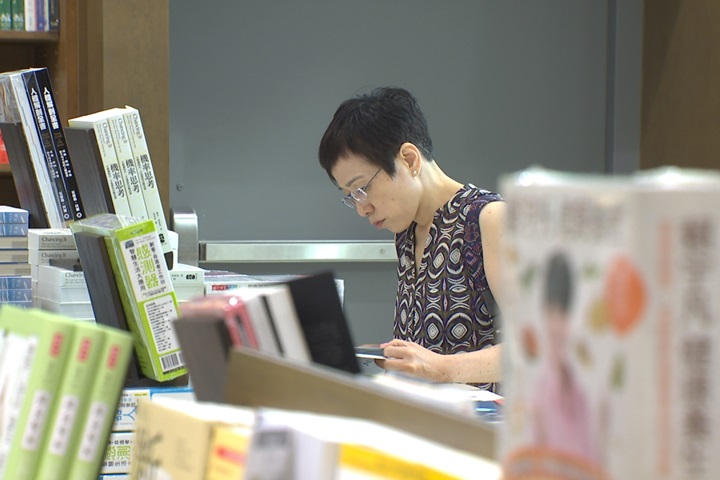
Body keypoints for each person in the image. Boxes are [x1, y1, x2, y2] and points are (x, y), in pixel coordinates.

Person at [318, 87, 506, 389]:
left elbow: (541, 351)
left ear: (409, 159)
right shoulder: (406, 232)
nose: (361, 209)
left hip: (483, 430)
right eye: (351, 197)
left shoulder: (488, 218)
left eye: (362, 189)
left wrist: (443, 368)